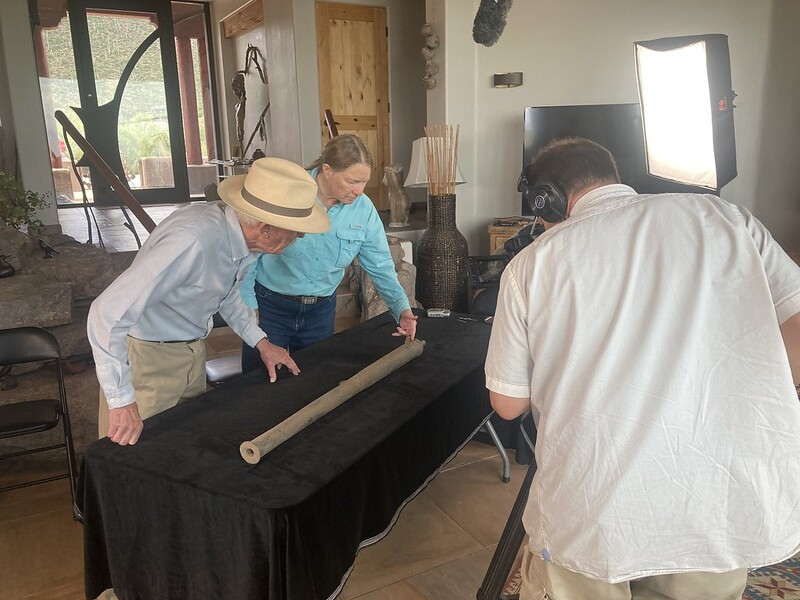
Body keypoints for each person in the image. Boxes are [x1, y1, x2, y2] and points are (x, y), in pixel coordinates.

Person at [485, 137, 800, 600]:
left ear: (545, 199)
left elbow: (508, 406)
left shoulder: (533, 264)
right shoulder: (728, 219)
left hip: (591, 506)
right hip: (717, 495)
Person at [87, 157, 330, 446]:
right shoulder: (193, 241)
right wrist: (122, 400)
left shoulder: (240, 238)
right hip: (147, 361)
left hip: (190, 353)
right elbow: (106, 313)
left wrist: (261, 343)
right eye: (296, 231)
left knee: (183, 449)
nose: (299, 237)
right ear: (266, 228)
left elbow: (224, 294)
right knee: (136, 459)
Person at [240, 134, 417, 372]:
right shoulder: (290, 192)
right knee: (261, 382)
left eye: (364, 182)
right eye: (352, 181)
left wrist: (402, 309)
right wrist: (249, 306)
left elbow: (381, 266)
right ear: (327, 170)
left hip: (320, 312)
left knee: (314, 383)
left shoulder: (363, 209)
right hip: (271, 306)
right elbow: (252, 251)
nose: (359, 190)